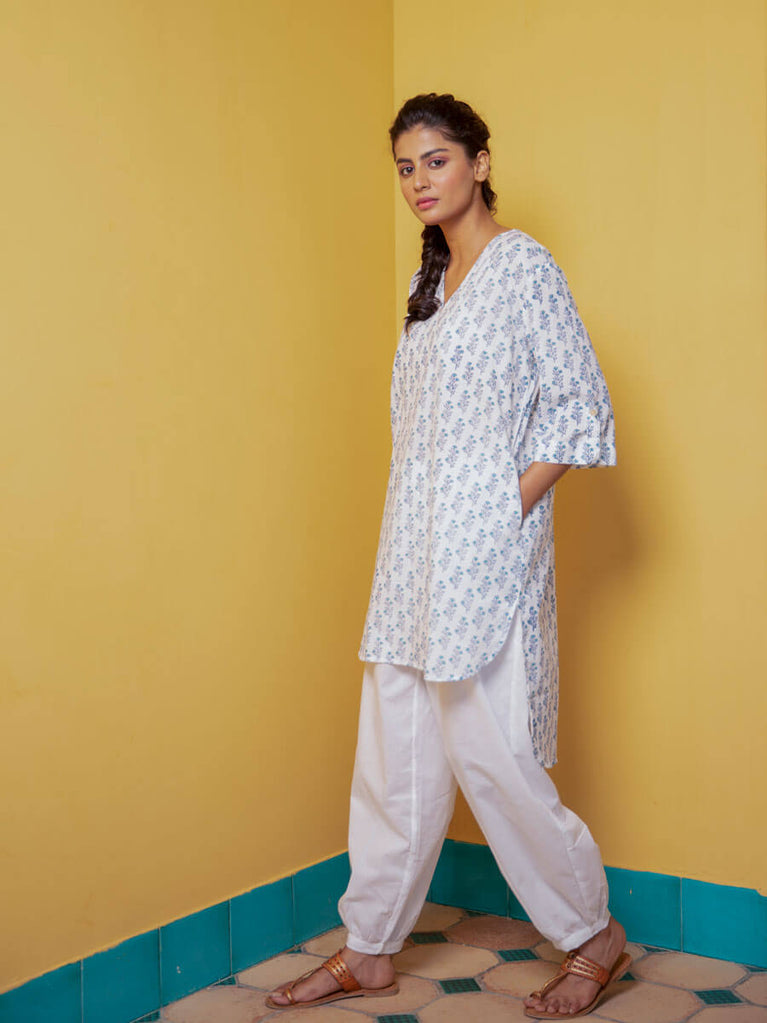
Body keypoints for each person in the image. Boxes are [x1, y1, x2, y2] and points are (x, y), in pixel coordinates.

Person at [267, 92, 630, 1020]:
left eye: (434, 160)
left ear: (477, 162)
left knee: (492, 754)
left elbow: (580, 406)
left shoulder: (523, 268)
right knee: (393, 753)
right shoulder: (427, 287)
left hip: (486, 547)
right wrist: (426, 527)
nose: (418, 181)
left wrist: (503, 509)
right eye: (404, 167)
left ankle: (591, 932)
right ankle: (370, 946)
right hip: (411, 553)